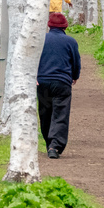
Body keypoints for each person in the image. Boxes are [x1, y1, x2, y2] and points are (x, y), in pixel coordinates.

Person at [36, 11, 81, 159]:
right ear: (65, 27)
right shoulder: (71, 42)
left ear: (49, 25)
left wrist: (34, 76)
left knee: (45, 112)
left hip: (42, 81)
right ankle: (55, 146)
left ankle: (49, 142)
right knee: (60, 113)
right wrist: (74, 76)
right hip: (62, 82)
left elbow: (33, 60)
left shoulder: (40, 40)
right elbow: (76, 62)